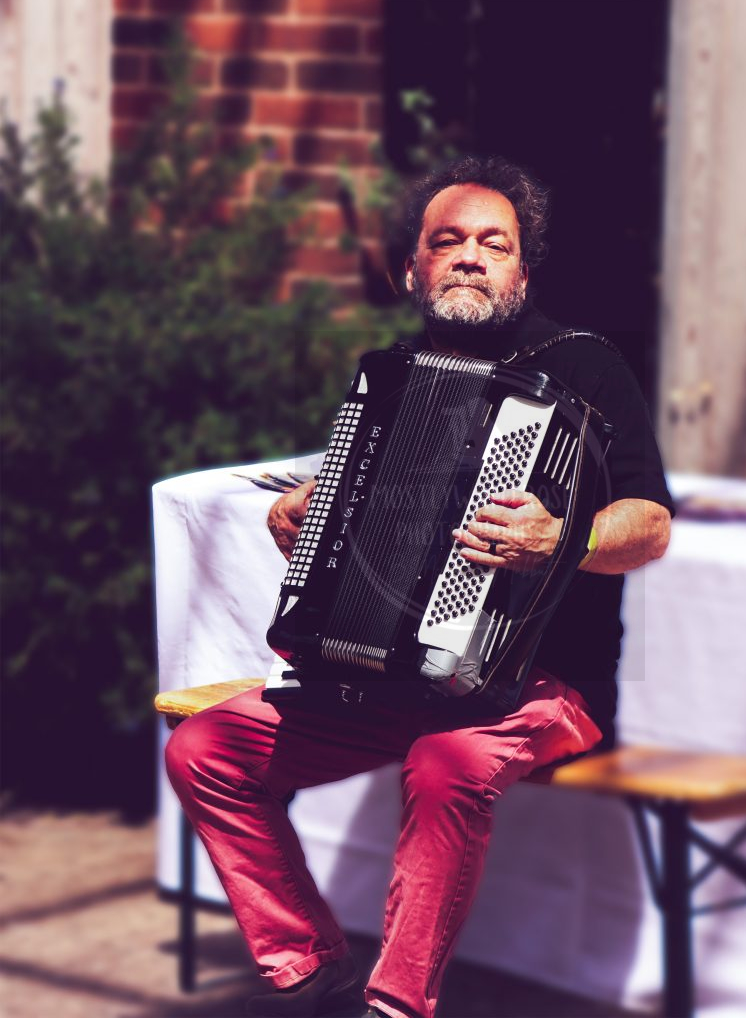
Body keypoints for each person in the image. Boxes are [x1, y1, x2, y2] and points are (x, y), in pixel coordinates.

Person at [166, 156, 674, 1018]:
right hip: (385, 679)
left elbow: (650, 525)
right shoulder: (390, 378)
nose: (470, 257)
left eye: (493, 243)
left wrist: (563, 538)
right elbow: (354, 504)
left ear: (520, 268)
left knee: (445, 762)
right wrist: (304, 509)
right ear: (413, 268)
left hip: (539, 688)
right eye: (448, 242)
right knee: (204, 751)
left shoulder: (586, 367)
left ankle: (395, 1006)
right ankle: (308, 962)